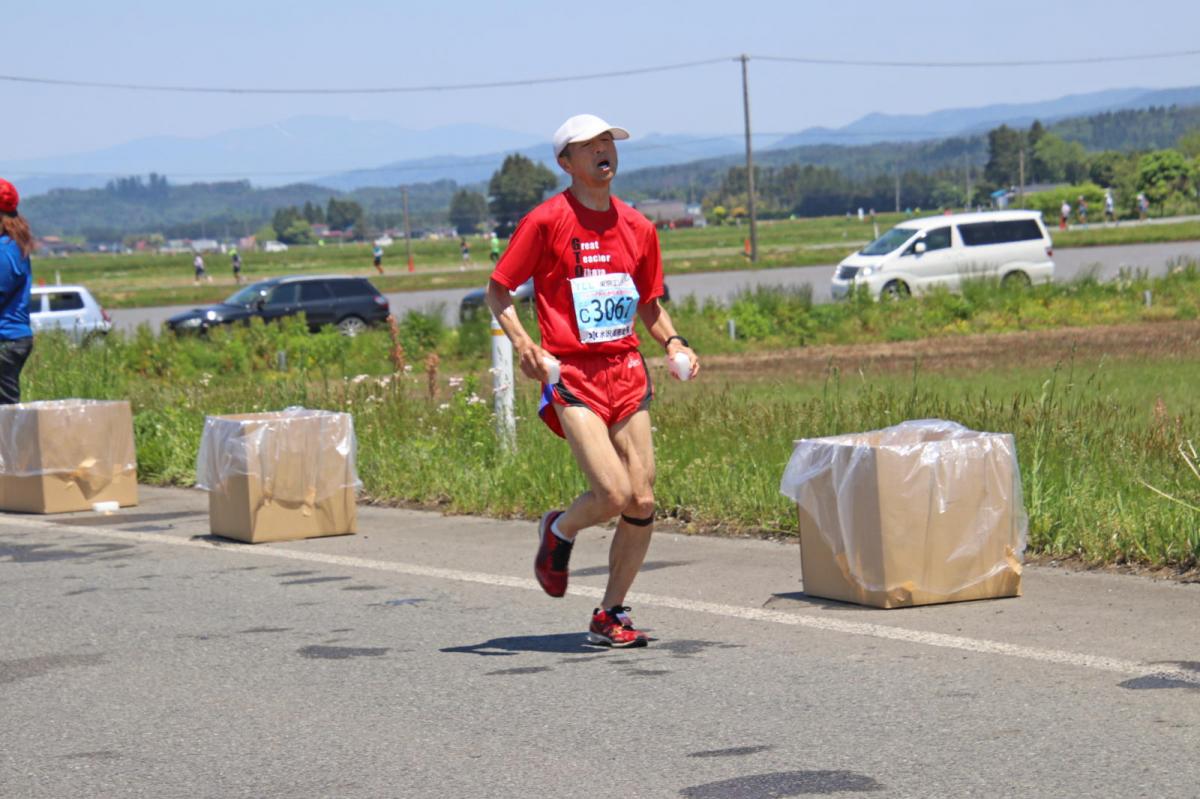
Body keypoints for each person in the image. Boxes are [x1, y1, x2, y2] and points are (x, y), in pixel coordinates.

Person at [485, 114, 699, 648]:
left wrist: (674, 342)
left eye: (609, 141)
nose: (604, 150)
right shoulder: (546, 221)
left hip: (626, 371)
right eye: (590, 145)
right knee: (612, 493)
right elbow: (499, 291)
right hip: (571, 373)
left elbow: (649, 304)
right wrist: (524, 346)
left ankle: (610, 614)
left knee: (643, 501)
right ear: (567, 163)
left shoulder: (639, 228)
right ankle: (558, 529)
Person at [0, 179, 34, 405]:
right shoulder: (13, 244)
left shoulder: (5, 250)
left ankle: (13, 441)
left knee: (5, 411)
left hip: (6, 339)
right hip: (12, 337)